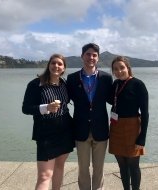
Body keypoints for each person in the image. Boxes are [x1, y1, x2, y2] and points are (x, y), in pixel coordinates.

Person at [22, 54, 75, 190]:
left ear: (64, 68)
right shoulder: (36, 84)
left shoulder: (64, 84)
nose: (56, 66)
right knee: (45, 175)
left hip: (65, 130)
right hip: (46, 132)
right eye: (53, 63)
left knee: (59, 166)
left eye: (59, 64)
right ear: (48, 65)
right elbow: (26, 108)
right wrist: (46, 107)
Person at [67, 43, 113, 190]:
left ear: (98, 58)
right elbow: (65, 99)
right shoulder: (72, 78)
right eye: (88, 54)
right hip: (81, 129)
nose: (91, 57)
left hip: (101, 130)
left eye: (94, 55)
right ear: (82, 56)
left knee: (99, 169)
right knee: (83, 168)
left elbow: (114, 100)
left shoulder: (106, 78)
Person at [108, 56, 149, 190]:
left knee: (133, 165)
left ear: (128, 68)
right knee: (122, 165)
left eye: (122, 68)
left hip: (132, 126)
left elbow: (145, 113)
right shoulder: (115, 84)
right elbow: (111, 100)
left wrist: (142, 137)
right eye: (115, 69)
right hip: (116, 126)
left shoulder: (138, 84)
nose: (119, 71)